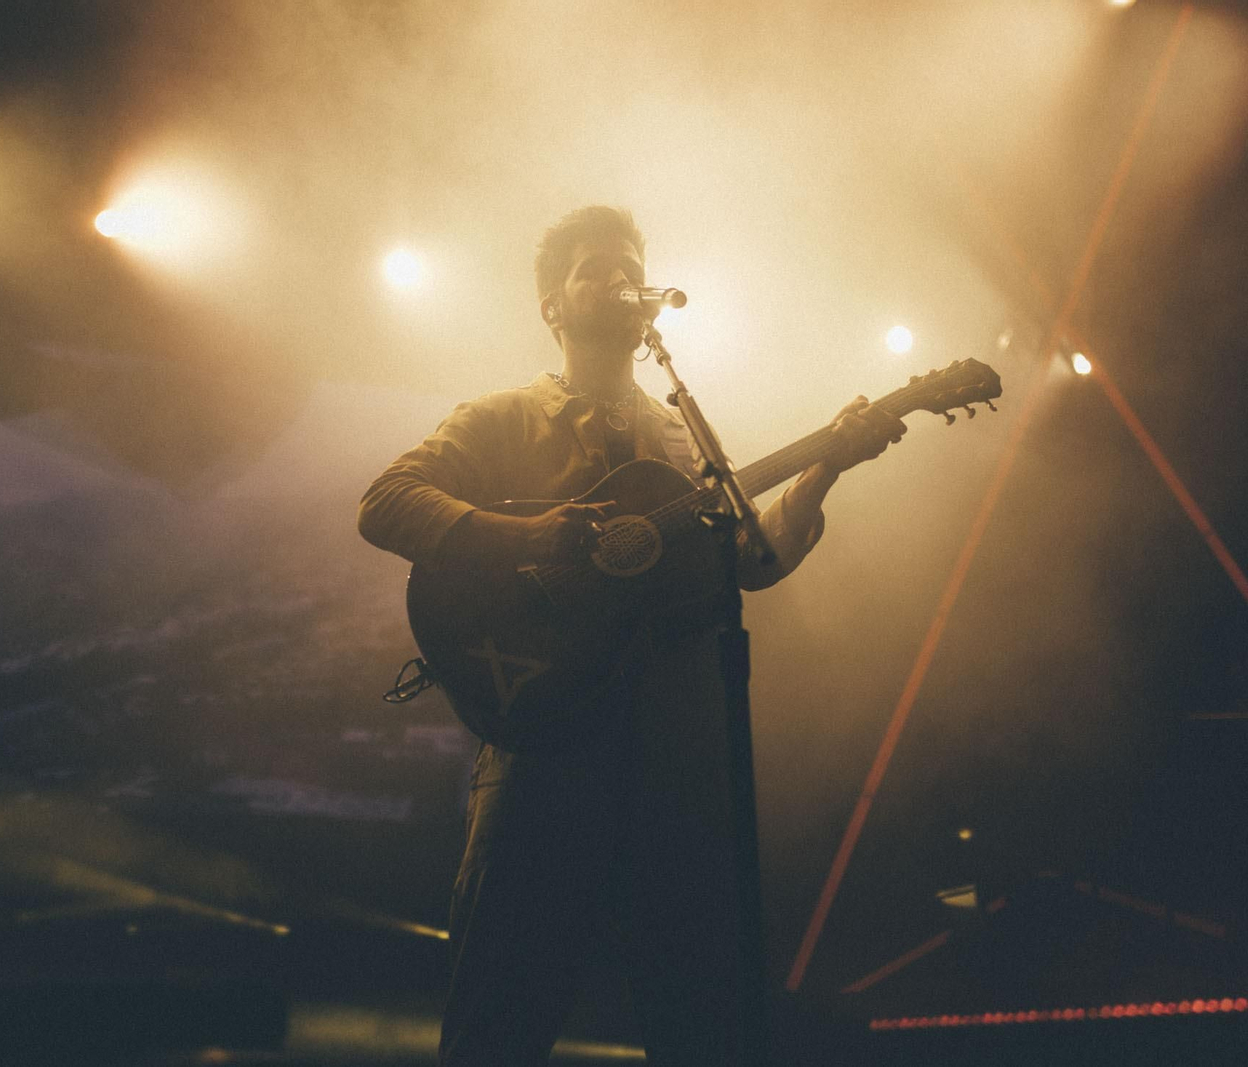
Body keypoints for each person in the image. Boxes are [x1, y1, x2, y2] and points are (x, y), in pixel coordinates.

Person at [357, 206, 906, 1066]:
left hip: (671, 760)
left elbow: (751, 558)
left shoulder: (684, 435)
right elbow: (385, 502)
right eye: (595, 268)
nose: (620, 280)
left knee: (697, 1020)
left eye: (632, 270)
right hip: (543, 753)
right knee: (499, 1017)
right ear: (552, 306)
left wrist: (827, 463)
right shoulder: (502, 417)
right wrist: (532, 535)